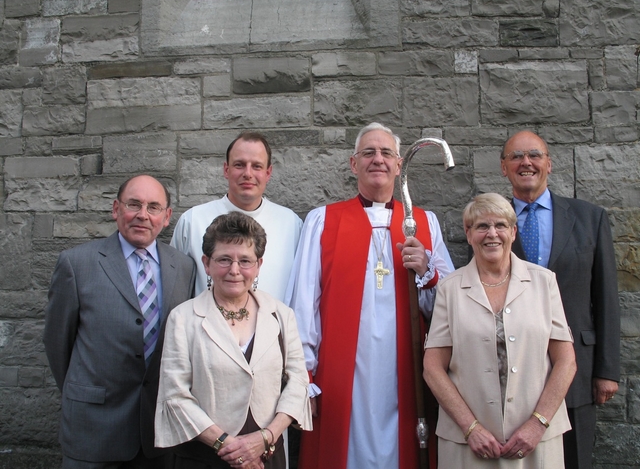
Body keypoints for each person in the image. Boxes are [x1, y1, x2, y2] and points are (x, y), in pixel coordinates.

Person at [285, 122, 454, 469]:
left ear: (398, 163)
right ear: (353, 164)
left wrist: (427, 271)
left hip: (405, 369)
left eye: (386, 153)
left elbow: (450, 310)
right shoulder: (323, 220)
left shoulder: (423, 222)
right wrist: (305, 377)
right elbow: (303, 304)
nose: (378, 159)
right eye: (368, 153)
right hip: (340, 372)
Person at [44, 175, 197, 469]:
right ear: (116, 209)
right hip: (94, 430)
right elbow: (57, 343)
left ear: (166, 218)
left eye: (153, 207)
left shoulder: (183, 267)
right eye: (133, 204)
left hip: (158, 433)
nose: (143, 215)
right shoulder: (76, 264)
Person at [424, 192, 577, 468]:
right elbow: (433, 368)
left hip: (535, 442)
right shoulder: (450, 289)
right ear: (468, 233)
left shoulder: (544, 283)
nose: (492, 234)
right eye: (482, 226)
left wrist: (538, 423)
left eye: (501, 225)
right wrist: (471, 428)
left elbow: (566, 361)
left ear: (513, 232)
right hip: (468, 444)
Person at [500, 131, 620, 469]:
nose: (526, 163)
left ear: (549, 164)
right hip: (512, 369)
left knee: (575, 458)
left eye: (535, 155)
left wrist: (607, 371)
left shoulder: (589, 218)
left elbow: (606, 297)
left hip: (577, 370)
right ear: (504, 167)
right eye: (516, 156)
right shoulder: (489, 223)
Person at [155, 211, 312, 469]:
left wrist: (266, 437)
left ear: (259, 264)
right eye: (224, 259)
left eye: (245, 261)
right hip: (204, 457)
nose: (235, 271)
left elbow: (298, 382)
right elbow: (175, 394)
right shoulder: (183, 318)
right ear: (206, 263)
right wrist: (229, 447)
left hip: (267, 456)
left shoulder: (281, 315)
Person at [171, 132, 302, 300]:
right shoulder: (192, 221)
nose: (248, 173)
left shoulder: (291, 224)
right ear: (226, 170)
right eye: (239, 165)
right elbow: (174, 289)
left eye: (257, 166)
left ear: (268, 173)